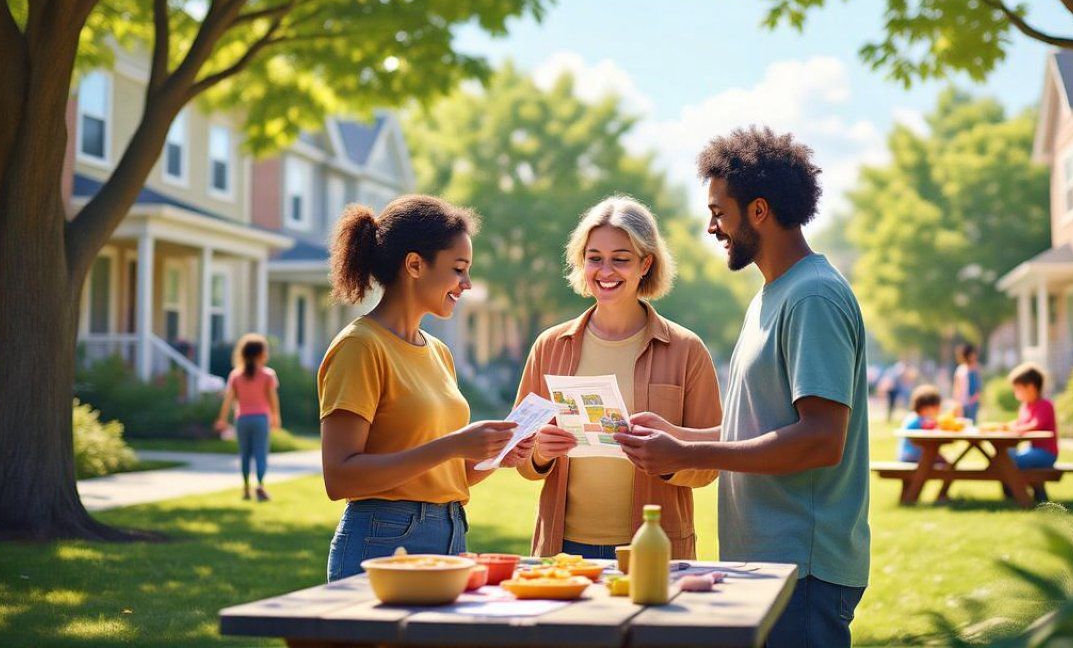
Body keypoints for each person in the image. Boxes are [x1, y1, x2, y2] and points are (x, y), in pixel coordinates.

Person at [613, 127, 870, 648]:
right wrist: (680, 437)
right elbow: (762, 427)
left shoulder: (813, 298)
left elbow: (821, 440)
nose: (711, 227)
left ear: (758, 210)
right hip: (769, 565)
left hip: (804, 571)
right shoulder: (772, 295)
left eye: (718, 212)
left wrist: (687, 451)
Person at [317, 196, 534, 582]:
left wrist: (495, 455)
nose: (467, 284)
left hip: (451, 531)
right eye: (459, 269)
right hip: (384, 538)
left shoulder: (439, 352)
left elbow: (444, 473)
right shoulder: (360, 346)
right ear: (415, 265)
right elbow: (340, 476)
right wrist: (452, 445)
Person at [513, 196, 723, 561]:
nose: (605, 271)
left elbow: (710, 466)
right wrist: (541, 453)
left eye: (621, 259)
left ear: (646, 264)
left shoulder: (687, 350)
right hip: (562, 550)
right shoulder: (550, 346)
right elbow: (519, 454)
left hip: (655, 549)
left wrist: (668, 457)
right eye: (594, 258)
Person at [214, 333, 281, 501]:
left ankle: (245, 488)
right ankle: (260, 486)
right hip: (261, 419)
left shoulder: (236, 375)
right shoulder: (268, 375)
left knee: (244, 455)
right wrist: (275, 417)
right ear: (261, 354)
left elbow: (228, 400)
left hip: (242, 419)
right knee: (260, 453)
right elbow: (273, 400)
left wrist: (222, 419)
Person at [1004, 362, 1058, 503]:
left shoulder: (1045, 405)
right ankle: (1016, 491)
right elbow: (1019, 423)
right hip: (1032, 451)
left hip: (1046, 454)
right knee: (1004, 454)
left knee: (1007, 461)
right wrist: (1006, 426)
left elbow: (1035, 425)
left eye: (1018, 389)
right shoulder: (1025, 406)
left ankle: (1016, 491)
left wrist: (1015, 429)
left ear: (1031, 387)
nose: (1015, 393)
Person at [897, 386, 941, 464]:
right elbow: (931, 428)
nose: (938, 411)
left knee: (941, 459)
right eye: (936, 408)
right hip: (913, 456)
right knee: (942, 461)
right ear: (925, 408)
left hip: (908, 456)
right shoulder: (918, 420)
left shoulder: (912, 417)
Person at [952, 343, 983, 423]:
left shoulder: (976, 369)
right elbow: (956, 387)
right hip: (961, 403)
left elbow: (978, 388)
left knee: (971, 423)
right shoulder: (960, 369)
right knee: (961, 423)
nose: (973, 357)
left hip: (972, 403)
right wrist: (956, 402)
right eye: (970, 355)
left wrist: (974, 399)